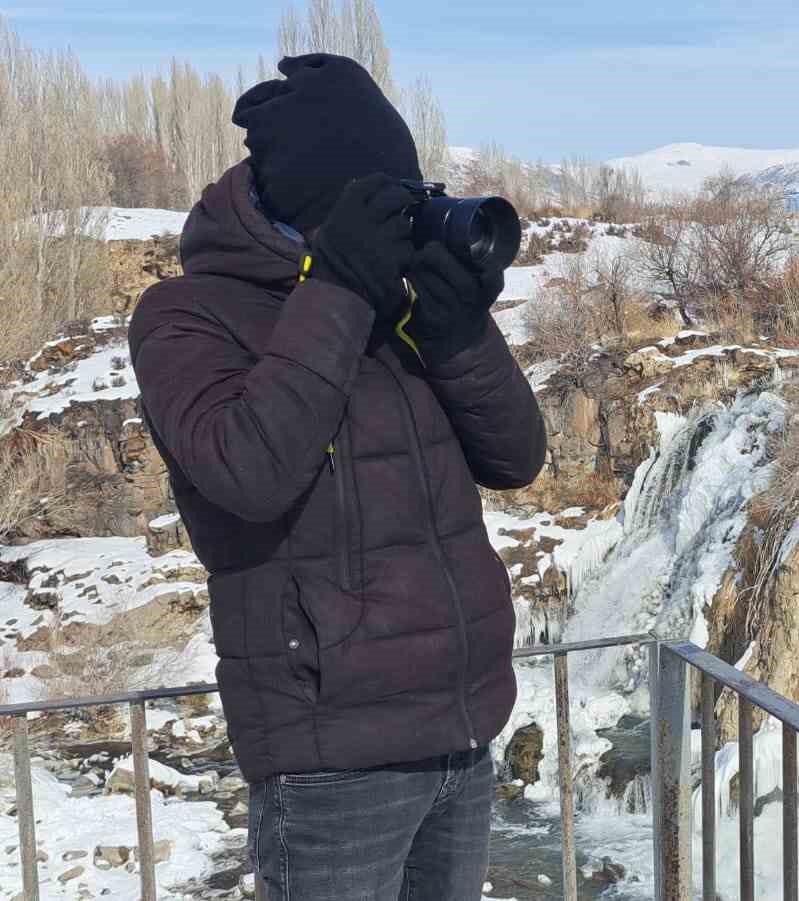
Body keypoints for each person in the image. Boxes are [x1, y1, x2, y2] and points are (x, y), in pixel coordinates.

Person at [128, 53, 545, 900]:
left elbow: (516, 458)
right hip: (329, 756)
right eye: (378, 199)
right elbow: (248, 472)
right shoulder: (185, 315)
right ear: (323, 206)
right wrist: (339, 288)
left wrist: (460, 328)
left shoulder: (389, 303)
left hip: (460, 734)